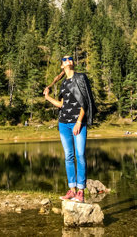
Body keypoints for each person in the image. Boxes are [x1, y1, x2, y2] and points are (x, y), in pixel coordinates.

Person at [43, 55, 98, 203]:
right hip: (63, 123)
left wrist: (79, 121)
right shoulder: (63, 84)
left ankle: (80, 191)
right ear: (62, 66)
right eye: (64, 59)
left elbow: (85, 102)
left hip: (77, 123)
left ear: (72, 63)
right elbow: (61, 104)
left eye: (70, 58)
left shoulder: (81, 78)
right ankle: (72, 190)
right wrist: (47, 97)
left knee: (80, 155)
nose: (68, 60)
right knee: (68, 156)